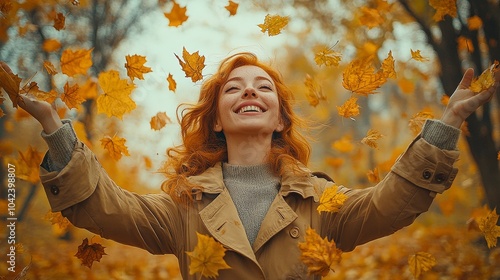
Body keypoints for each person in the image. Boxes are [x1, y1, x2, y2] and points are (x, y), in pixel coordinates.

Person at [3, 52, 498, 279]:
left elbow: (393, 203)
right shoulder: (182, 205)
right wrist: (51, 123)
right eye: (234, 87)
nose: (249, 91)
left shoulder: (320, 200)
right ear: (217, 119)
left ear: (280, 118)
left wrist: (449, 121)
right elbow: (100, 208)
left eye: (262, 86)